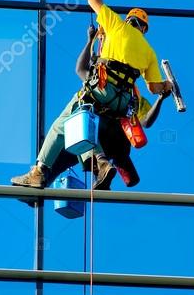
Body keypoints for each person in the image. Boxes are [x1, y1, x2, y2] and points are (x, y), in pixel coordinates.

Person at [11, 0, 171, 189]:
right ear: (144, 28)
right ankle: (101, 167)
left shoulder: (116, 24)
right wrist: (166, 90)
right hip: (120, 103)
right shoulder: (149, 52)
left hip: (101, 92)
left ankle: (39, 171)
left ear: (128, 20)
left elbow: (92, 0)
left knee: (62, 125)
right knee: (87, 127)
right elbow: (154, 88)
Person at [40, 25, 168, 190]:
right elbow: (146, 122)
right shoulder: (132, 95)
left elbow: (80, 69)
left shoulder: (99, 82)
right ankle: (105, 174)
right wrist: (160, 98)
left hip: (94, 138)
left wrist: (89, 41)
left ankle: (40, 182)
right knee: (80, 148)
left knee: (72, 132)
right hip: (113, 145)